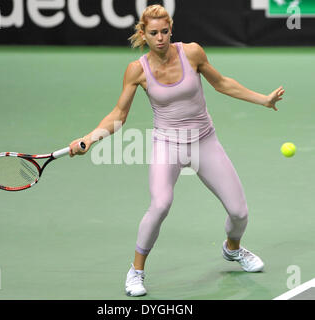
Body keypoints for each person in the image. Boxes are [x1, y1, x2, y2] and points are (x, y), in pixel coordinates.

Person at [69, 5, 285, 297]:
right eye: (153, 33)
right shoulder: (137, 70)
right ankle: (136, 271)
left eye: (164, 31)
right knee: (160, 204)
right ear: (143, 34)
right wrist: (89, 139)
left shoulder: (192, 53)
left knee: (239, 212)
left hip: (204, 141)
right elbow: (119, 114)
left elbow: (221, 83)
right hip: (167, 144)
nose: (160, 38)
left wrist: (263, 99)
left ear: (171, 29)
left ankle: (232, 250)